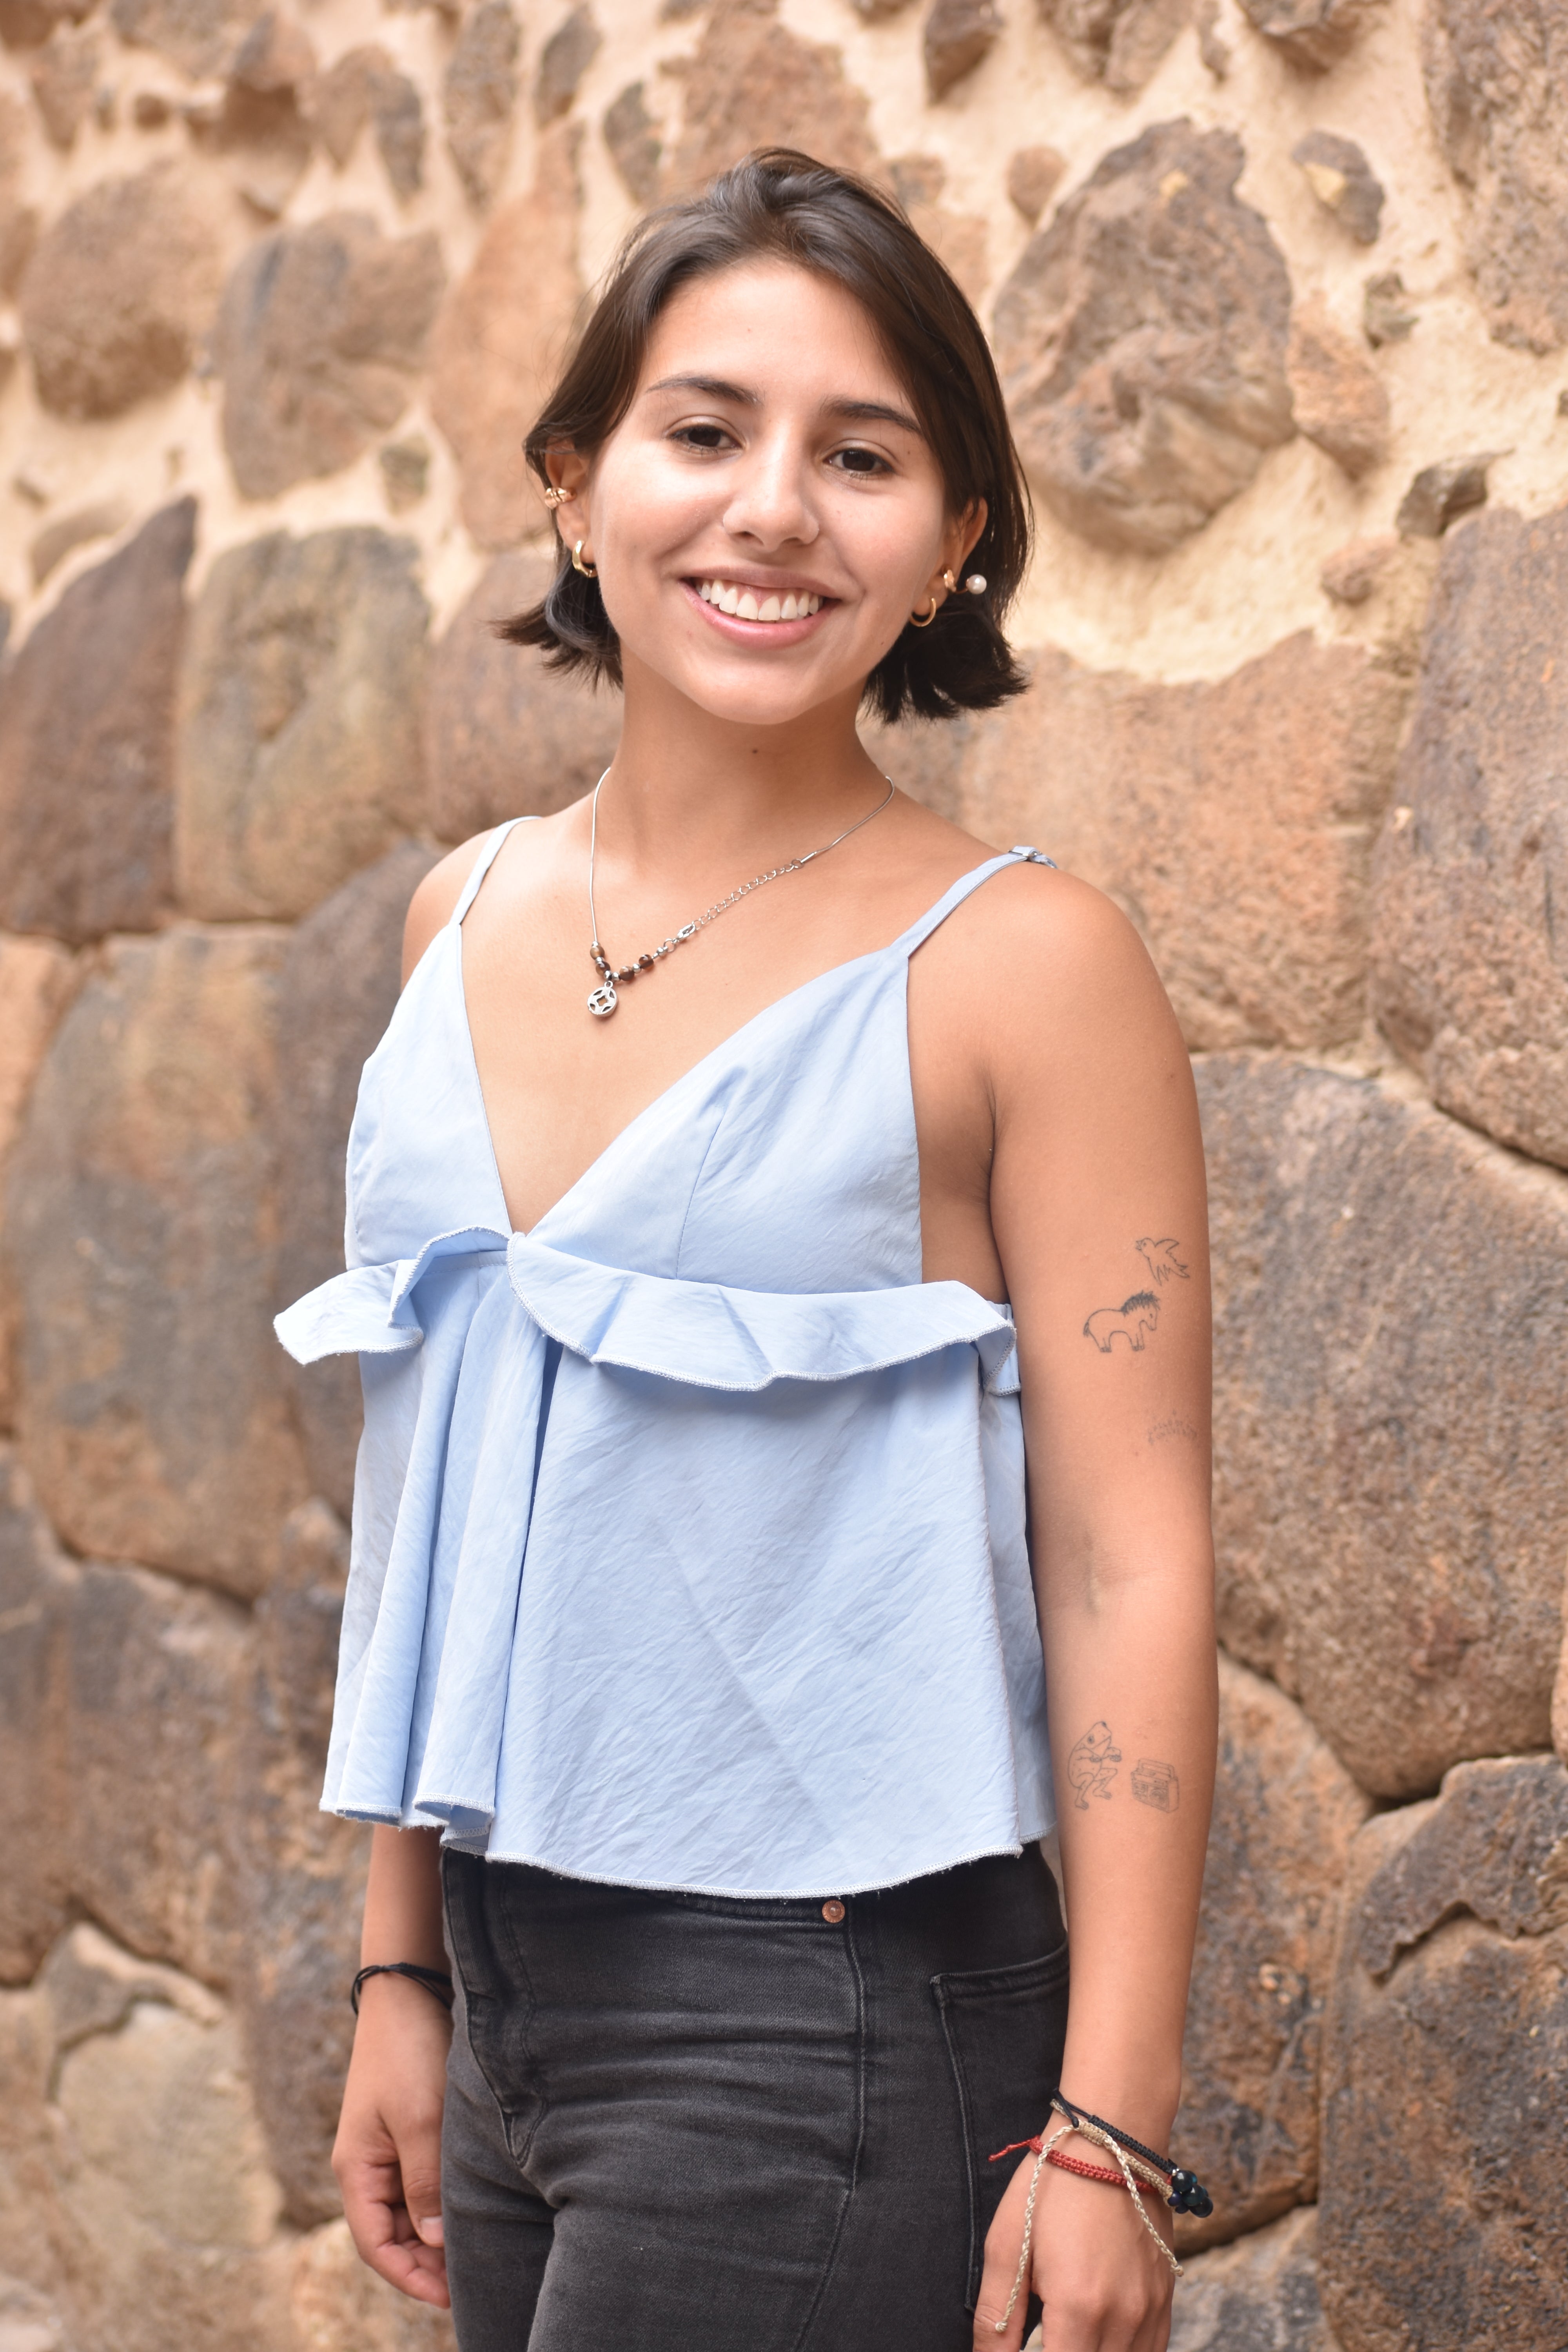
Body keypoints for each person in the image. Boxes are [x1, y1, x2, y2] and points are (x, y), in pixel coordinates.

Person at [276, 147, 1216, 2352]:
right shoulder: (457, 919)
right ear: (576, 483)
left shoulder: (1026, 964)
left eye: (861, 456)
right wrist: (402, 1962)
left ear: (954, 538)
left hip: (831, 2017)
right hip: (502, 1989)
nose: (774, 509)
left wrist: (1111, 2127)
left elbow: (1129, 1557)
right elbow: (443, 1492)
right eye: (705, 431)